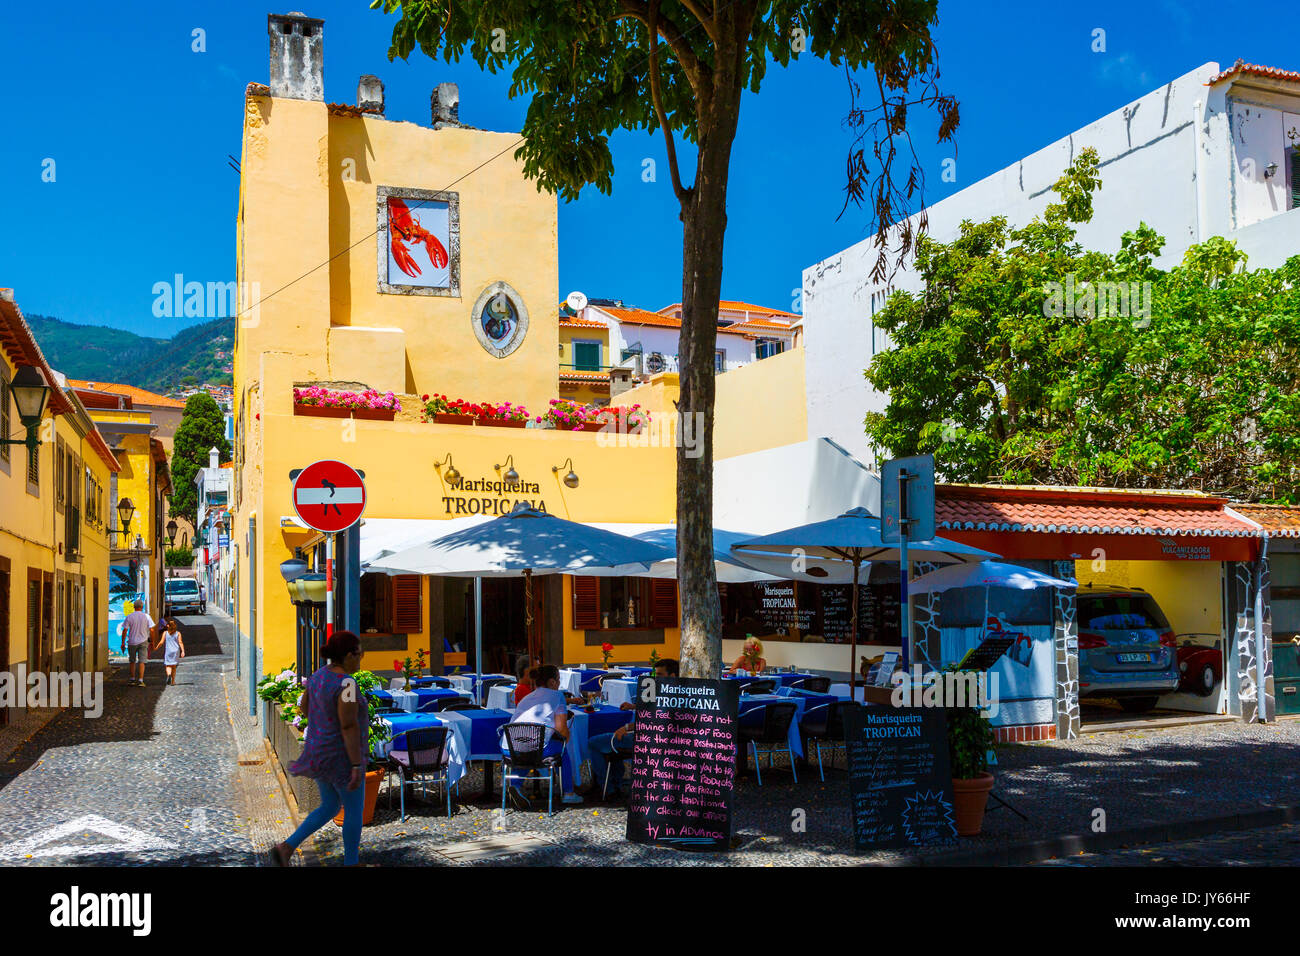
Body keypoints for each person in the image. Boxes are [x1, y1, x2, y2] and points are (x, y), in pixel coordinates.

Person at [271, 631, 369, 867]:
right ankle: (351, 863)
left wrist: (324, 724)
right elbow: (348, 724)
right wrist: (356, 764)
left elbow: (304, 707)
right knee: (354, 810)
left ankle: (286, 848)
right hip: (341, 756)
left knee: (330, 805)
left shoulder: (318, 676)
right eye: (359, 654)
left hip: (319, 752)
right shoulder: (346, 683)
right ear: (348, 655)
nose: (361, 658)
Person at [589, 658, 678, 800]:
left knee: (594, 742)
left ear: (672, 676)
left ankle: (607, 787)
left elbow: (653, 721)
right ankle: (615, 782)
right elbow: (652, 712)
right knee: (612, 740)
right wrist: (634, 707)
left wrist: (627, 727)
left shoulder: (664, 693)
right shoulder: (675, 693)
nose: (655, 678)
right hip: (658, 739)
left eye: (660, 675)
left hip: (648, 740)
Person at [503, 664, 582, 808]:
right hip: (533, 749)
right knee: (561, 749)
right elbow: (561, 729)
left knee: (527, 747)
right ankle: (569, 793)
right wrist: (566, 737)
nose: (559, 684)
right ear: (552, 682)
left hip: (509, 748)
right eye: (558, 680)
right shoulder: (557, 696)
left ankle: (515, 785)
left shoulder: (527, 697)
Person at [119, 606, 157, 686]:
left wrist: (122, 642)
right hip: (143, 641)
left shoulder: (129, 616)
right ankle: (140, 680)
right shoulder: (146, 616)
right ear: (142, 607)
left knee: (132, 661)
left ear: (134, 607)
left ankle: (132, 679)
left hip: (132, 642)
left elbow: (125, 630)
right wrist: (152, 641)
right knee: (142, 661)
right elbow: (152, 629)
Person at [152, 618, 186, 685]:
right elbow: (180, 642)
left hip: (168, 651)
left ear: (167, 625)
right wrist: (183, 651)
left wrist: (156, 648)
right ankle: (173, 682)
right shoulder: (178, 633)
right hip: (176, 651)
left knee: (168, 665)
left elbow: (161, 642)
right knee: (174, 666)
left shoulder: (165, 633)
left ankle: (168, 675)